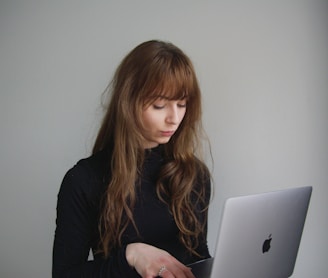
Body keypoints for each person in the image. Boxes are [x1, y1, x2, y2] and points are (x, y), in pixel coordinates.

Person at [52, 40, 211, 278]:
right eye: (159, 105)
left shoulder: (194, 174)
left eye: (182, 104)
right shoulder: (83, 180)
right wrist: (130, 256)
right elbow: (65, 274)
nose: (174, 118)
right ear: (129, 102)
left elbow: (198, 256)